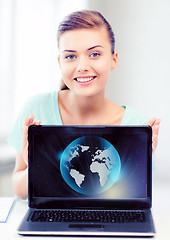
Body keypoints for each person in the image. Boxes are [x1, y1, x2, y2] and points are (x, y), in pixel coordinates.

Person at [8, 10, 160, 199]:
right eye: (71, 56)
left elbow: (130, 199)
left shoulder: (137, 124)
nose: (82, 66)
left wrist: (139, 162)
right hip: (49, 222)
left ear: (114, 59)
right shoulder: (35, 109)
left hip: (108, 225)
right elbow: (19, 190)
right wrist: (36, 164)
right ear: (60, 62)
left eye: (94, 54)